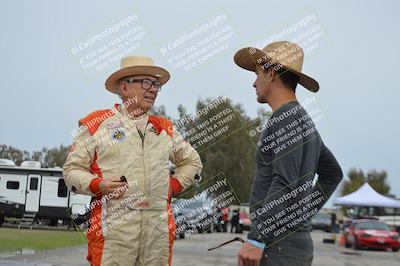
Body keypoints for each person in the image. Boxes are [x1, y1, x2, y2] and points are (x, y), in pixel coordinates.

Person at [63, 56, 203, 266]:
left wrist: (172, 186)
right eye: (146, 82)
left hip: (157, 231)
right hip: (114, 229)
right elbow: (72, 170)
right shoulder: (97, 123)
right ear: (124, 87)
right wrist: (98, 185)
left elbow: (193, 162)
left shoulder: (164, 128)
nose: (153, 89)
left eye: (156, 85)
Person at [234, 41, 343, 266]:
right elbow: (333, 174)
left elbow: (284, 181)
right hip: (291, 243)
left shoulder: (286, 118)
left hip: (279, 246)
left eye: (257, 74)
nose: (254, 83)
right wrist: (299, 215)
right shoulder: (304, 120)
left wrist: (257, 238)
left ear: (271, 73)